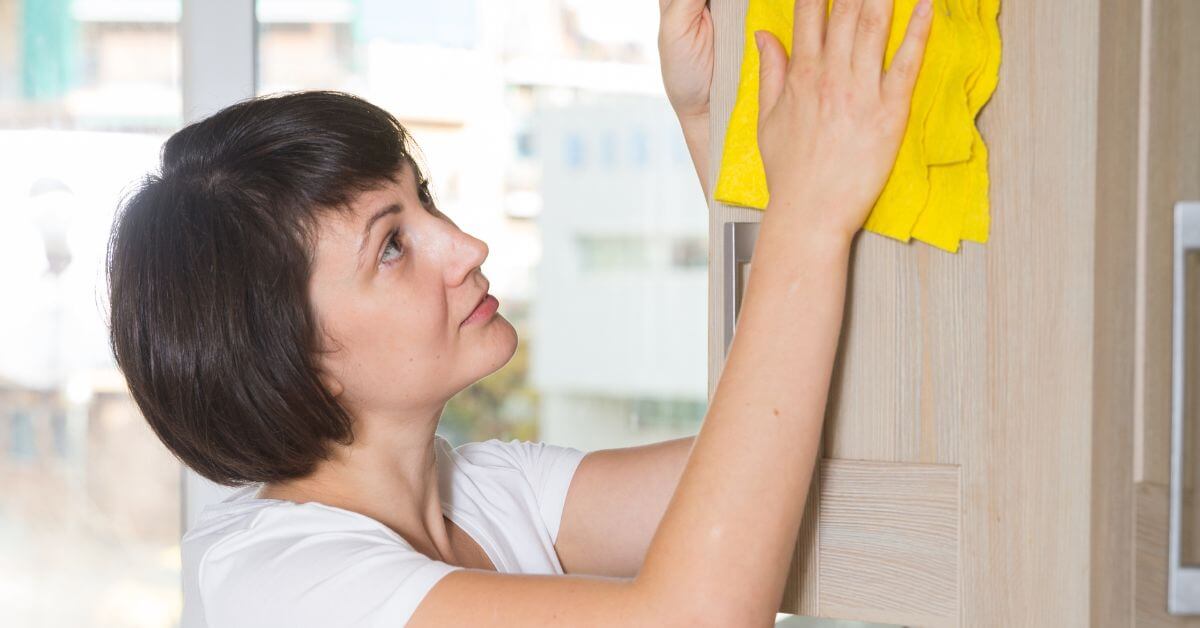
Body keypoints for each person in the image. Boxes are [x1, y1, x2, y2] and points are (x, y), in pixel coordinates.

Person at [105, 0, 932, 625]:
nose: (464, 246)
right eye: (392, 245)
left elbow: (779, 451)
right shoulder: (284, 584)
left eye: (422, 200)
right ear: (291, 355)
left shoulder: (489, 491)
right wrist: (806, 219)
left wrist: (717, 132)